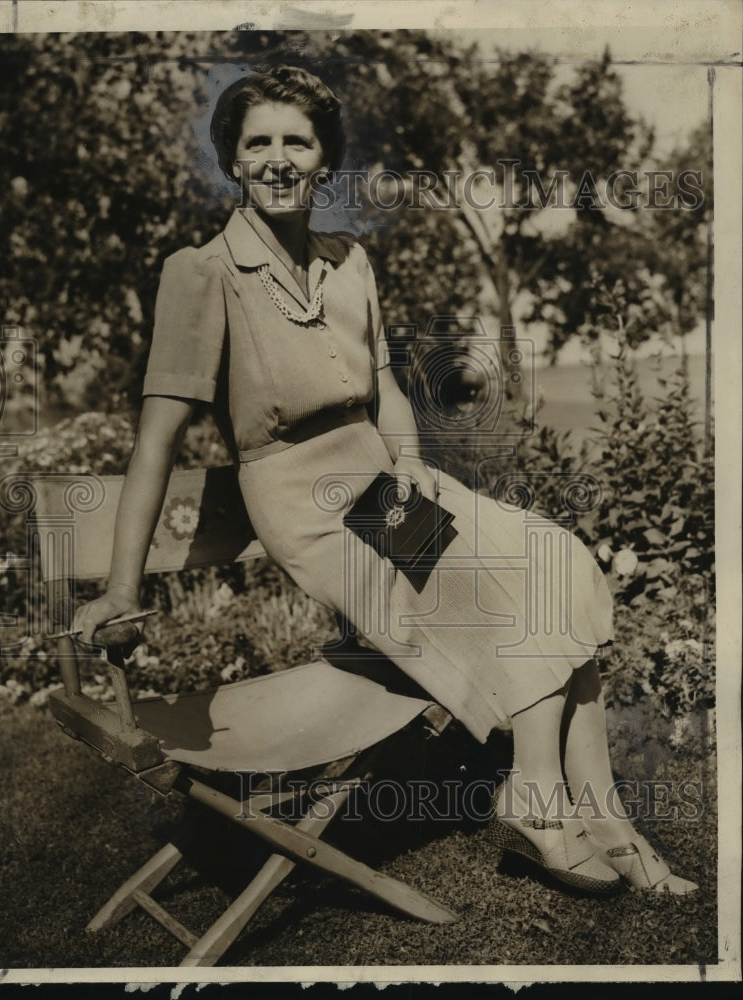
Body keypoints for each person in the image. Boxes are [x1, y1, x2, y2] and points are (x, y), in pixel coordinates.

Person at [73, 65, 697, 896]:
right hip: (311, 510)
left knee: (550, 556)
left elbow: (386, 394)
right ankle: (541, 801)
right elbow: (155, 440)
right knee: (495, 591)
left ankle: (604, 817)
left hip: (380, 491)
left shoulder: (348, 260)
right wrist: (120, 587)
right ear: (233, 159)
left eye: (297, 140)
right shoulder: (203, 274)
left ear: (324, 158)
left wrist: (409, 468)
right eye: (258, 142)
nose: (278, 158)